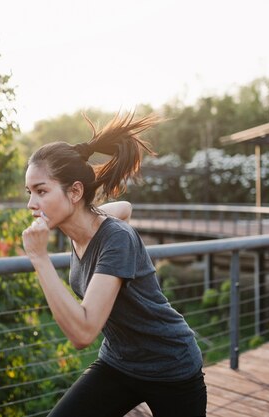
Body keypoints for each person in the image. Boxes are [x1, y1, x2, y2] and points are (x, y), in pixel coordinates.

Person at [21, 112, 207, 417]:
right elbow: (124, 206)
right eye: (30, 192)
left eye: (42, 191)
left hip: (170, 367)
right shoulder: (81, 230)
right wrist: (89, 220)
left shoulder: (117, 239)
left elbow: (83, 334)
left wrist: (39, 258)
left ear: (75, 192)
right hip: (119, 363)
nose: (31, 203)